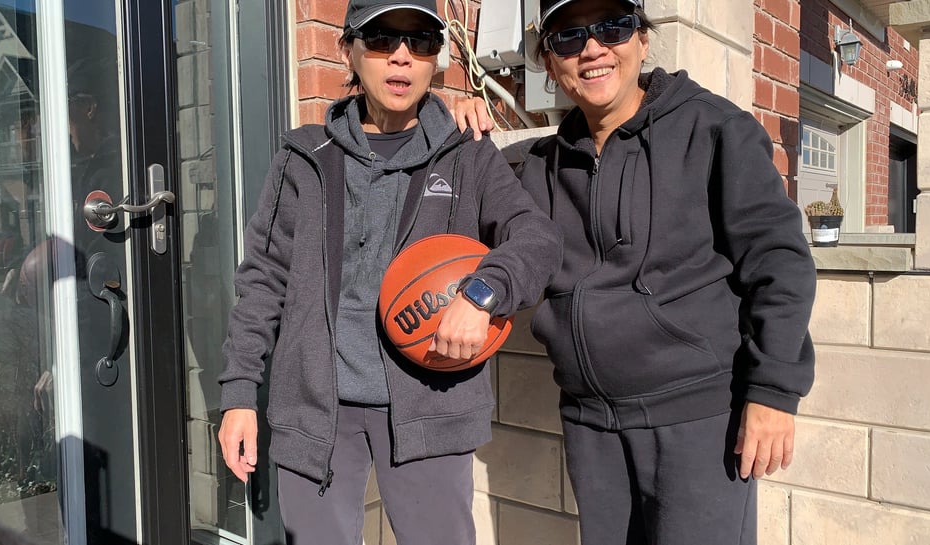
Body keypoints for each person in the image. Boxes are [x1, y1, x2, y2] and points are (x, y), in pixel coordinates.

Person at [453, 0, 817, 543]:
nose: (592, 49)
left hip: (698, 422)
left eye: (613, 27)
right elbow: (483, 224)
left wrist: (772, 391)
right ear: (548, 62)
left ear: (643, 41)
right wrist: (452, 121)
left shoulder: (713, 129)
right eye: (569, 37)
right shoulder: (543, 166)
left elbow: (779, 261)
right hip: (591, 425)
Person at [216, 0, 562, 544]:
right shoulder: (304, 158)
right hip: (317, 412)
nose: (401, 56)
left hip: (432, 403)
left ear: (435, 59)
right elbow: (263, 279)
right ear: (348, 51)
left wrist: (483, 292)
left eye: (420, 41)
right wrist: (239, 393)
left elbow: (538, 239)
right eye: (381, 38)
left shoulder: (467, 156)